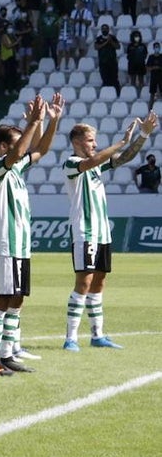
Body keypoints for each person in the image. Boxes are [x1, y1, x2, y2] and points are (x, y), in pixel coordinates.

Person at [63, 113, 157, 351]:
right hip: (84, 231)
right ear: (76, 142)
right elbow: (96, 160)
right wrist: (121, 141)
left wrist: (143, 134)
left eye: (95, 140)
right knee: (83, 282)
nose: (94, 144)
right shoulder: (72, 163)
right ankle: (71, 338)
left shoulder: (96, 164)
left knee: (99, 282)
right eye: (90, 140)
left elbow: (124, 158)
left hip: (102, 232)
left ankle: (97, 335)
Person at [0, 94, 61, 377]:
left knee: (17, 299)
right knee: (2, 299)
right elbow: (20, 153)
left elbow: (41, 149)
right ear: (3, 146)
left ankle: (7, 354)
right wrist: (34, 122)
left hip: (21, 245)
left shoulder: (15, 169)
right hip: (5, 242)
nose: (22, 148)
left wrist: (52, 121)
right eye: (17, 142)